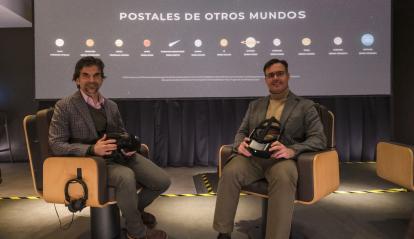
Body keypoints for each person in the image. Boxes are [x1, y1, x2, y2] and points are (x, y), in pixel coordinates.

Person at [49, 56, 170, 239]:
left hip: (119, 157)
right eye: (86, 75)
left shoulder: (111, 105)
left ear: (102, 79)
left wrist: (127, 145)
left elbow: (120, 132)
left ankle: (133, 212)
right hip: (90, 163)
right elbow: (56, 144)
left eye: (96, 75)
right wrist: (91, 150)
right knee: (126, 177)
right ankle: (136, 232)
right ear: (77, 79)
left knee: (162, 181)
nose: (91, 80)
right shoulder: (64, 106)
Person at [213, 58, 327, 239]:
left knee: (283, 176)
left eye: (279, 74)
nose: (275, 78)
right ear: (266, 79)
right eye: (270, 75)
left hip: (283, 160)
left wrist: (293, 150)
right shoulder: (255, 105)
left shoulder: (305, 106)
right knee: (230, 171)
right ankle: (223, 232)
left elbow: (319, 138)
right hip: (253, 158)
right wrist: (239, 144)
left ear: (288, 76)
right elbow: (241, 132)